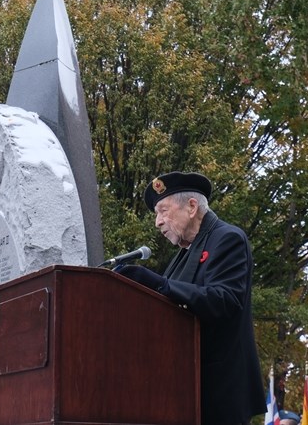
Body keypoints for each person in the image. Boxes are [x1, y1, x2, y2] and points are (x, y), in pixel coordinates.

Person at [114, 171, 266, 425]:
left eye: (163, 211)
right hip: (183, 389)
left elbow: (224, 299)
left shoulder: (227, 238)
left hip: (218, 392)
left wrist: (159, 283)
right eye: (156, 214)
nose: (158, 222)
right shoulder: (184, 254)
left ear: (192, 207)